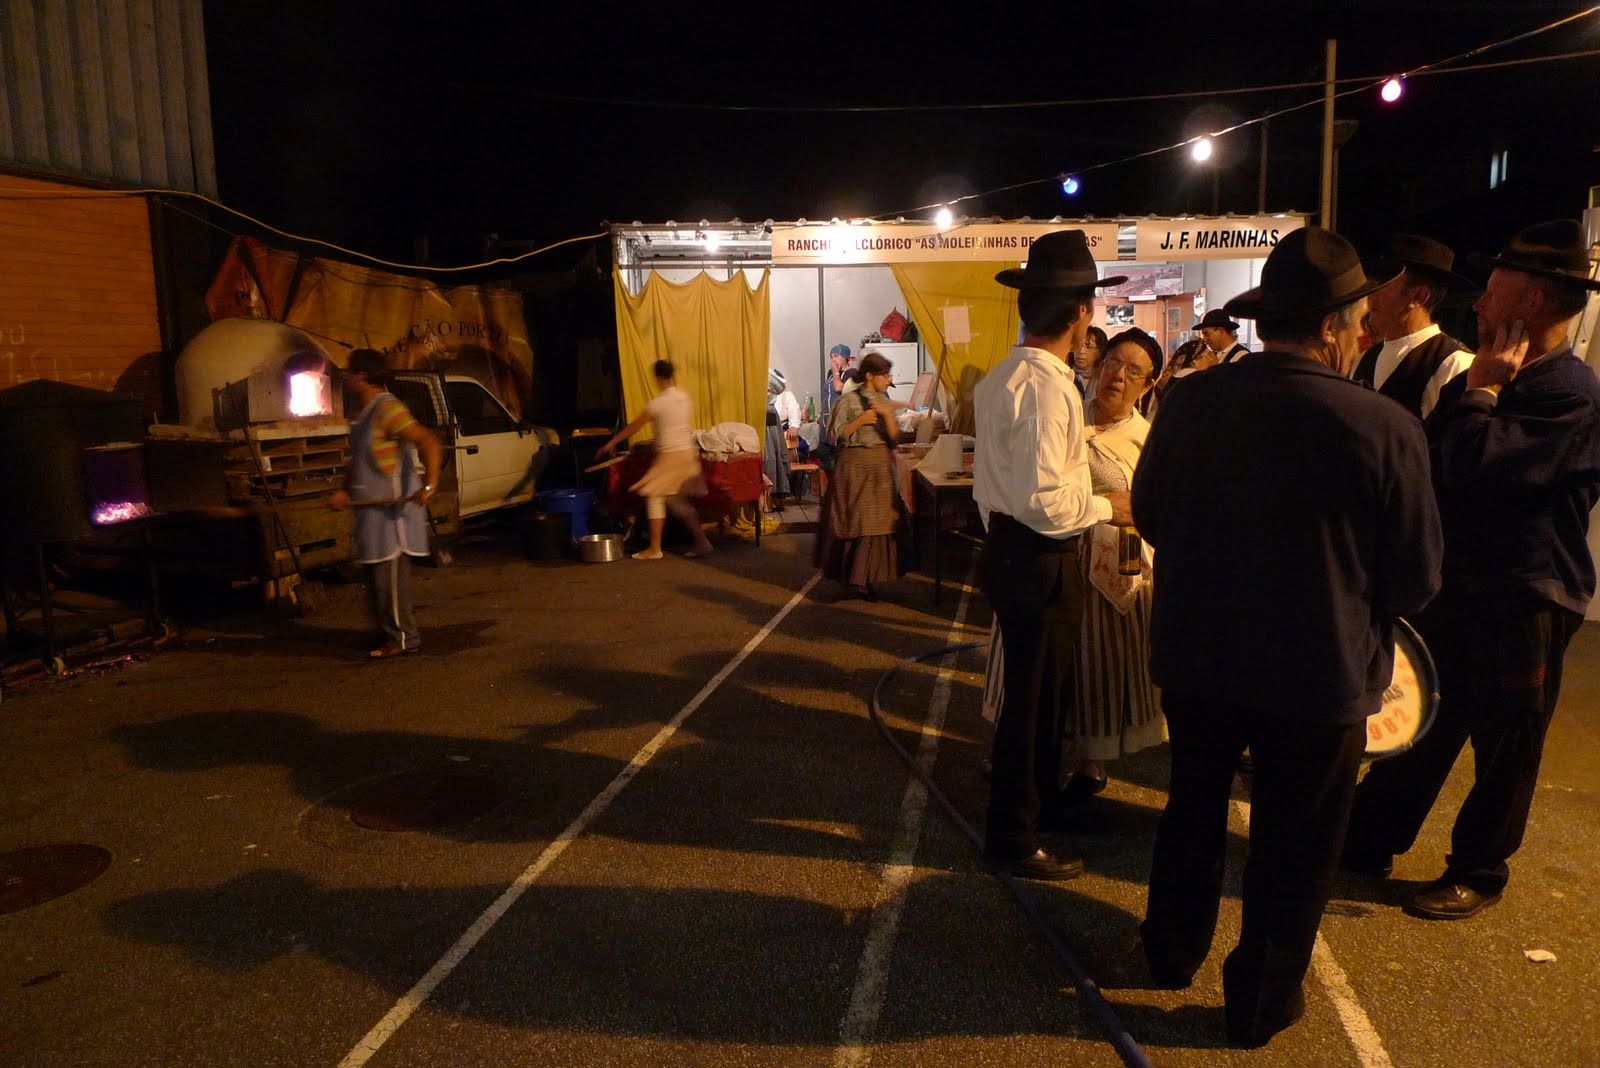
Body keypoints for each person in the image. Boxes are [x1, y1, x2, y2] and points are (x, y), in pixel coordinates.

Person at [1132, 227, 1442, 1047]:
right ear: (1334, 326)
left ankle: (1170, 950)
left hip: (1199, 655)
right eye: (1356, 320)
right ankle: (1261, 1001)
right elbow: (1416, 578)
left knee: (1193, 806)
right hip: (1321, 669)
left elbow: (1151, 515)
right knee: (1295, 840)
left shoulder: (1190, 402)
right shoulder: (1383, 426)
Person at [1343, 219, 1600, 920]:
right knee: (1426, 714)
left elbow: (1474, 468)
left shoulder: (1569, 392)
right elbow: (1430, 459)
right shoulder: (1501, 374)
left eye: (1493, 292)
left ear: (1532, 303)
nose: (1480, 305)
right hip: (1462, 584)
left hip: (1527, 596)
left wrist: (1481, 392)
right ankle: (1369, 838)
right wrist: (1480, 393)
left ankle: (1479, 870)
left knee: (1507, 739)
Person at [973, 228, 1132, 883]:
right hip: (1038, 553)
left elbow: (1002, 488)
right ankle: (1014, 834)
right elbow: (1046, 500)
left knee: (1040, 696)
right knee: (1034, 704)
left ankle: (1038, 809)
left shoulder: (1004, 376)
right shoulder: (1044, 387)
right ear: (1080, 313)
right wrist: (1109, 507)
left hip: (1016, 549)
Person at [1062, 327, 1166, 808]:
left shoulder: (1147, 440)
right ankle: (1037, 748)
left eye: (1133, 372)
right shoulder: (1065, 417)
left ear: (1148, 385)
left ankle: (1091, 760)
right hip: (1061, 555)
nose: (1119, 377)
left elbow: (1158, 506)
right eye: (1113, 364)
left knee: (1100, 661)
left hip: (1116, 566)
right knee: (1054, 661)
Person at [329, 348, 444, 659]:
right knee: (376, 581)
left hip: (393, 515)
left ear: (362, 376)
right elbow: (358, 460)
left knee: (389, 581)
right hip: (371, 512)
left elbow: (428, 441)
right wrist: (344, 491)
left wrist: (430, 484)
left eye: (349, 372)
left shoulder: (388, 409)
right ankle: (388, 631)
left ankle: (404, 638)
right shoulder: (362, 413)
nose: (345, 378)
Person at [598, 359, 714, 560]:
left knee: (654, 495)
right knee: (676, 501)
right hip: (687, 454)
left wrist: (610, 443)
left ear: (658, 378)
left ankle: (654, 548)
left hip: (671, 456)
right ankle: (702, 542)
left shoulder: (659, 402)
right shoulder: (684, 397)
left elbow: (635, 426)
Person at [1352, 233, 1476, 419]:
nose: (1370, 294)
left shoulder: (1454, 364)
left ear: (1419, 296)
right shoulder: (1365, 359)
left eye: (1383, 284)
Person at [814, 352, 903, 599]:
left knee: (879, 523)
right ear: (870, 376)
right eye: (885, 375)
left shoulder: (885, 402)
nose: (889, 380)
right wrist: (862, 420)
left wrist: (886, 415)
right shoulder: (848, 401)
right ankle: (856, 577)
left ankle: (866, 577)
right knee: (857, 521)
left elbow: (895, 437)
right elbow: (835, 435)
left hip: (880, 468)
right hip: (854, 467)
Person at [763, 368, 801, 508]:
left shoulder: (776, 393)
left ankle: (772, 499)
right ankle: (769, 500)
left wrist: (794, 426)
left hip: (769, 421)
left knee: (772, 457)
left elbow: (780, 386)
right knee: (771, 457)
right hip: (769, 420)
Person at [822, 343, 854, 422]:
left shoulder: (851, 373)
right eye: (832, 357)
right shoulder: (831, 373)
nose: (833, 360)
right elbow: (827, 395)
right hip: (827, 416)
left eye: (836, 356)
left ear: (845, 357)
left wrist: (836, 372)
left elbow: (838, 388)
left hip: (841, 417)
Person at [1073, 325, 1108, 395]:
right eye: (1077, 345)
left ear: (1100, 352)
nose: (1081, 351)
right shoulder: (1066, 376)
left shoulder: (1105, 379)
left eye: (1088, 347)